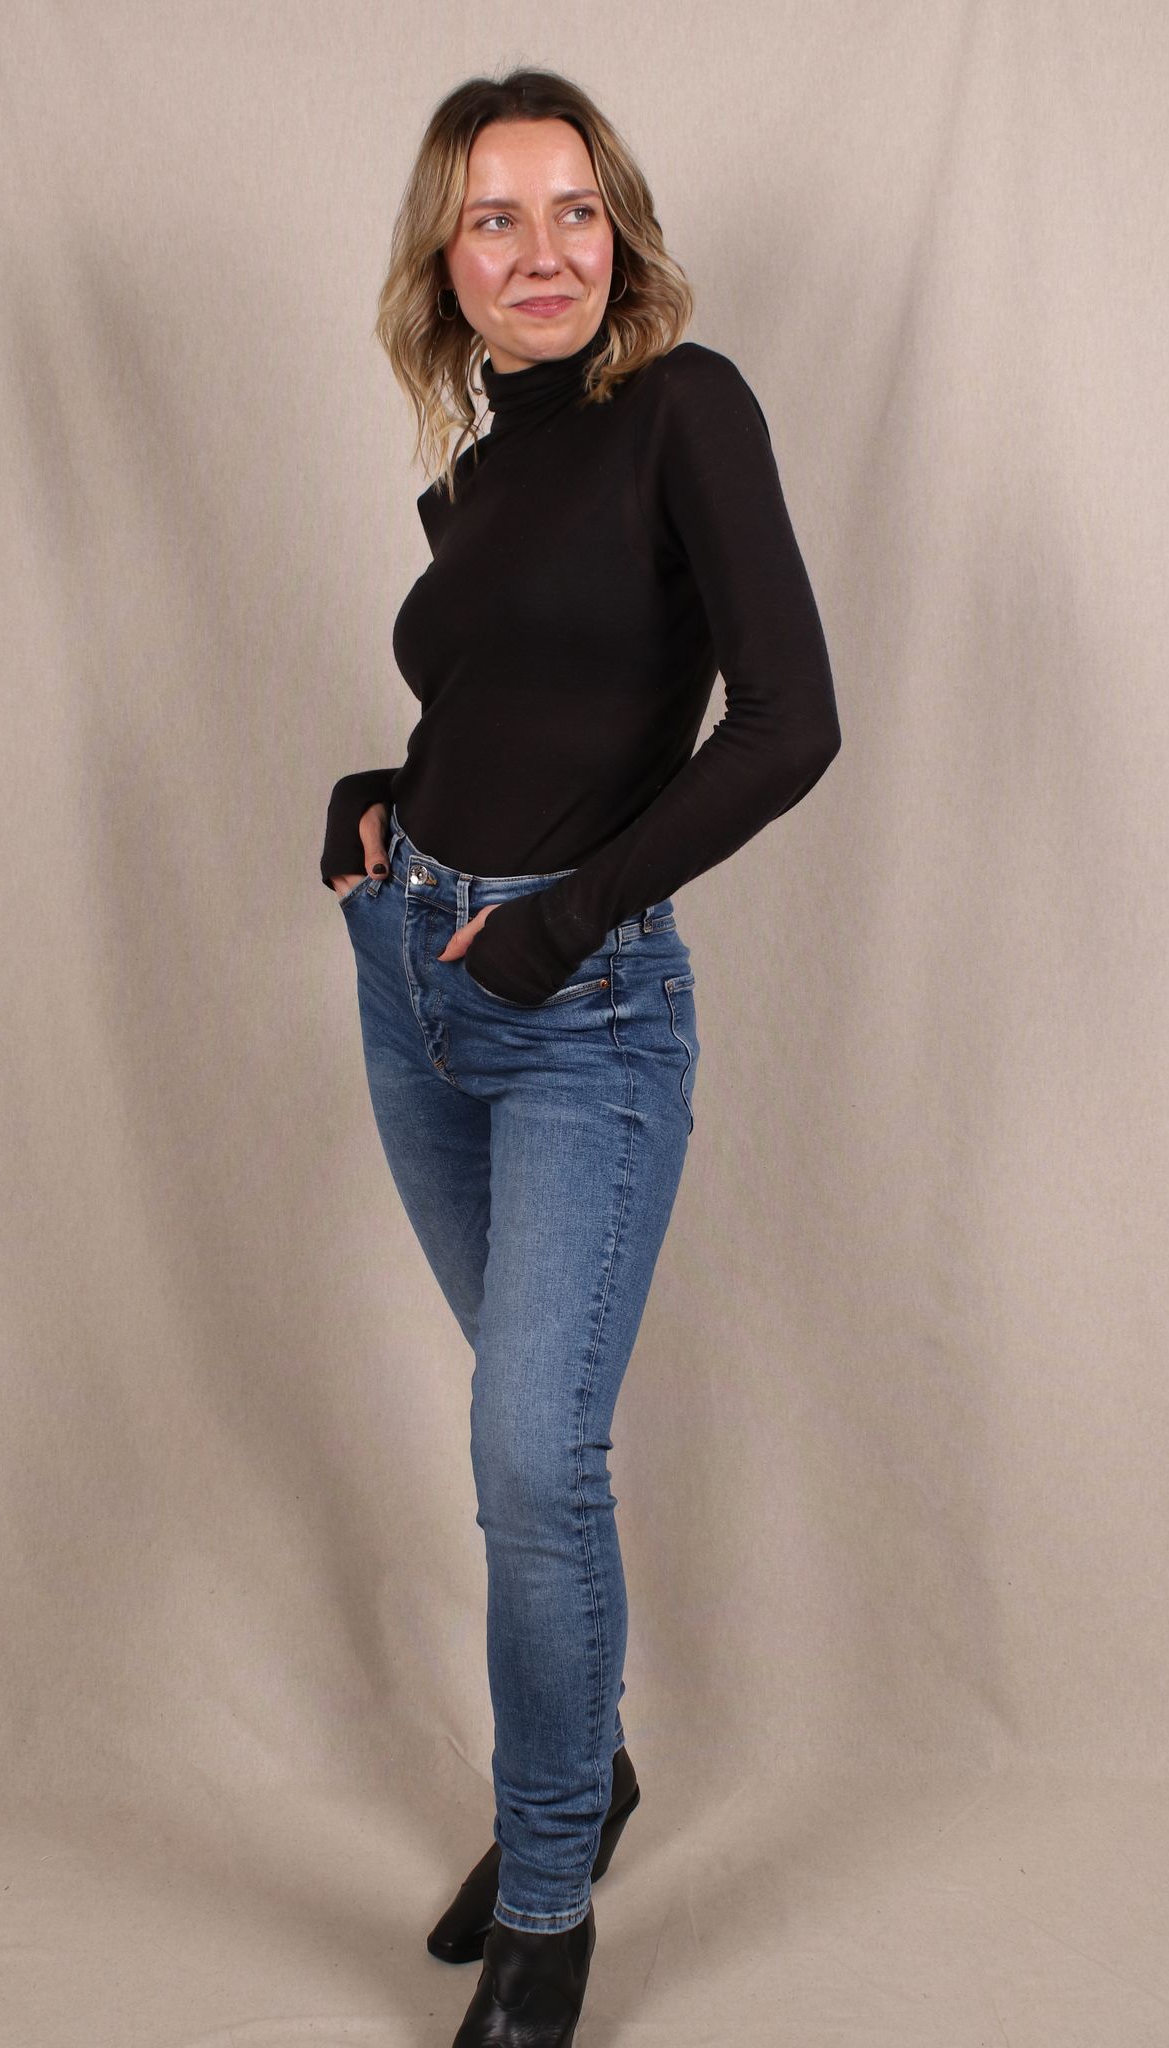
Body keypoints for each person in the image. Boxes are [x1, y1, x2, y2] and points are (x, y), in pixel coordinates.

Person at [321, 68, 840, 2048]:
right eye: (492, 219)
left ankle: (549, 1899)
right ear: (442, 265)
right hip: (414, 976)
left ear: (617, 230)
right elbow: (508, 705)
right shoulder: (475, 478)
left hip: (581, 1007)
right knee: (530, 1445)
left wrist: (556, 919)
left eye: (571, 210)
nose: (539, 252)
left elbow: (786, 721)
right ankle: (590, 1764)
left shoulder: (684, 411)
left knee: (530, 1459)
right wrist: (381, 797)